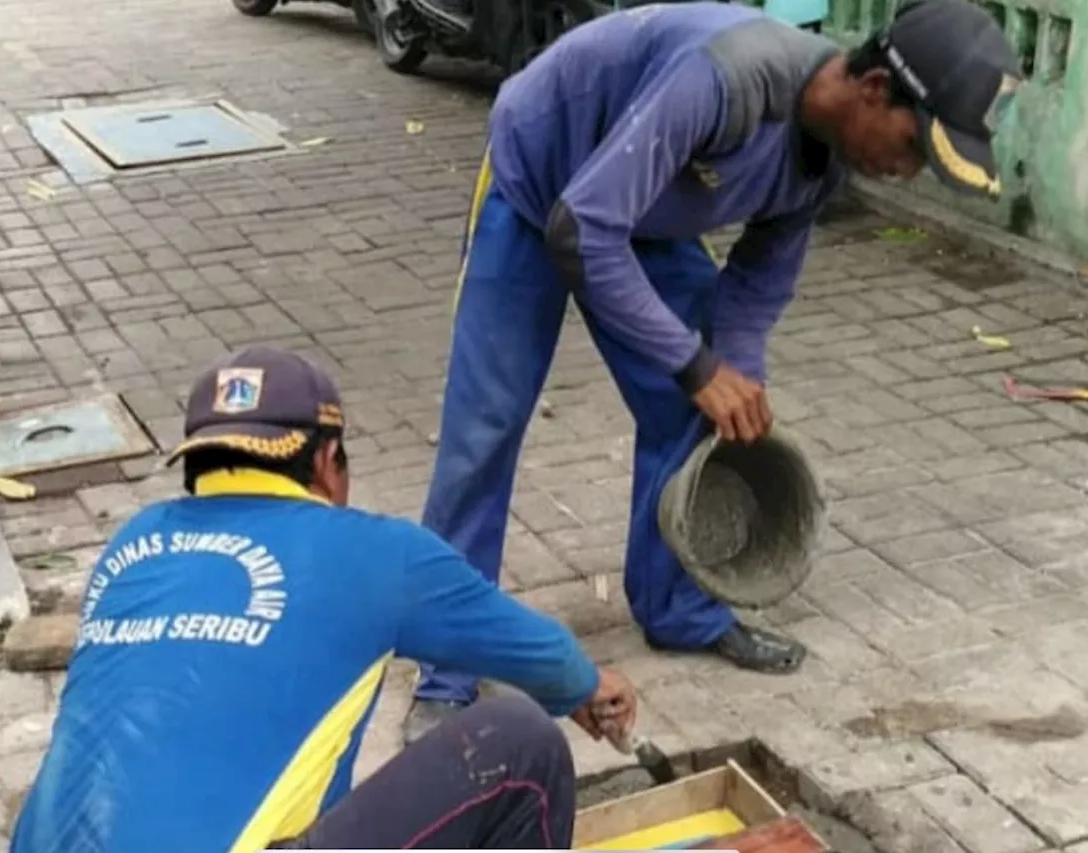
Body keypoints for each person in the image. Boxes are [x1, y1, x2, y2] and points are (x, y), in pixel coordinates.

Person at [406, 0, 1021, 742]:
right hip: (540, 191)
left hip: (640, 218)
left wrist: (733, 378)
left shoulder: (827, 162)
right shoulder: (727, 82)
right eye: (915, 143)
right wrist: (694, 363)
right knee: (485, 429)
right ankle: (447, 670)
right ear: (875, 91)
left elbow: (758, 285)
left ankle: (680, 610)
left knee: (702, 410)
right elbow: (583, 228)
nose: (910, 168)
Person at [10, 346, 639, 852]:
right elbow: (540, 655)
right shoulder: (373, 552)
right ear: (329, 460)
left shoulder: (134, 541)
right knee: (521, 740)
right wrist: (587, 683)